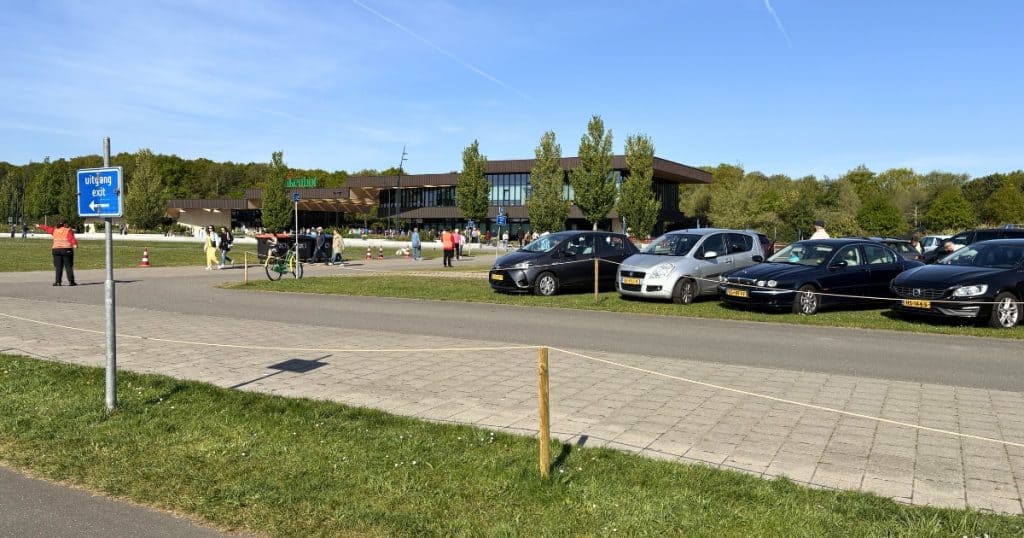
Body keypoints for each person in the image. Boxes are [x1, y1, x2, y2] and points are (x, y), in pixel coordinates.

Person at [37, 220, 78, 286]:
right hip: (66, 249)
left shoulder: (55, 230)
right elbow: (71, 238)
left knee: (58, 267)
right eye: (67, 224)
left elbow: (47, 228)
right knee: (68, 266)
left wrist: (39, 226)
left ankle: (58, 282)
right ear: (64, 224)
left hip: (56, 250)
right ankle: (71, 282)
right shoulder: (68, 230)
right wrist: (74, 244)